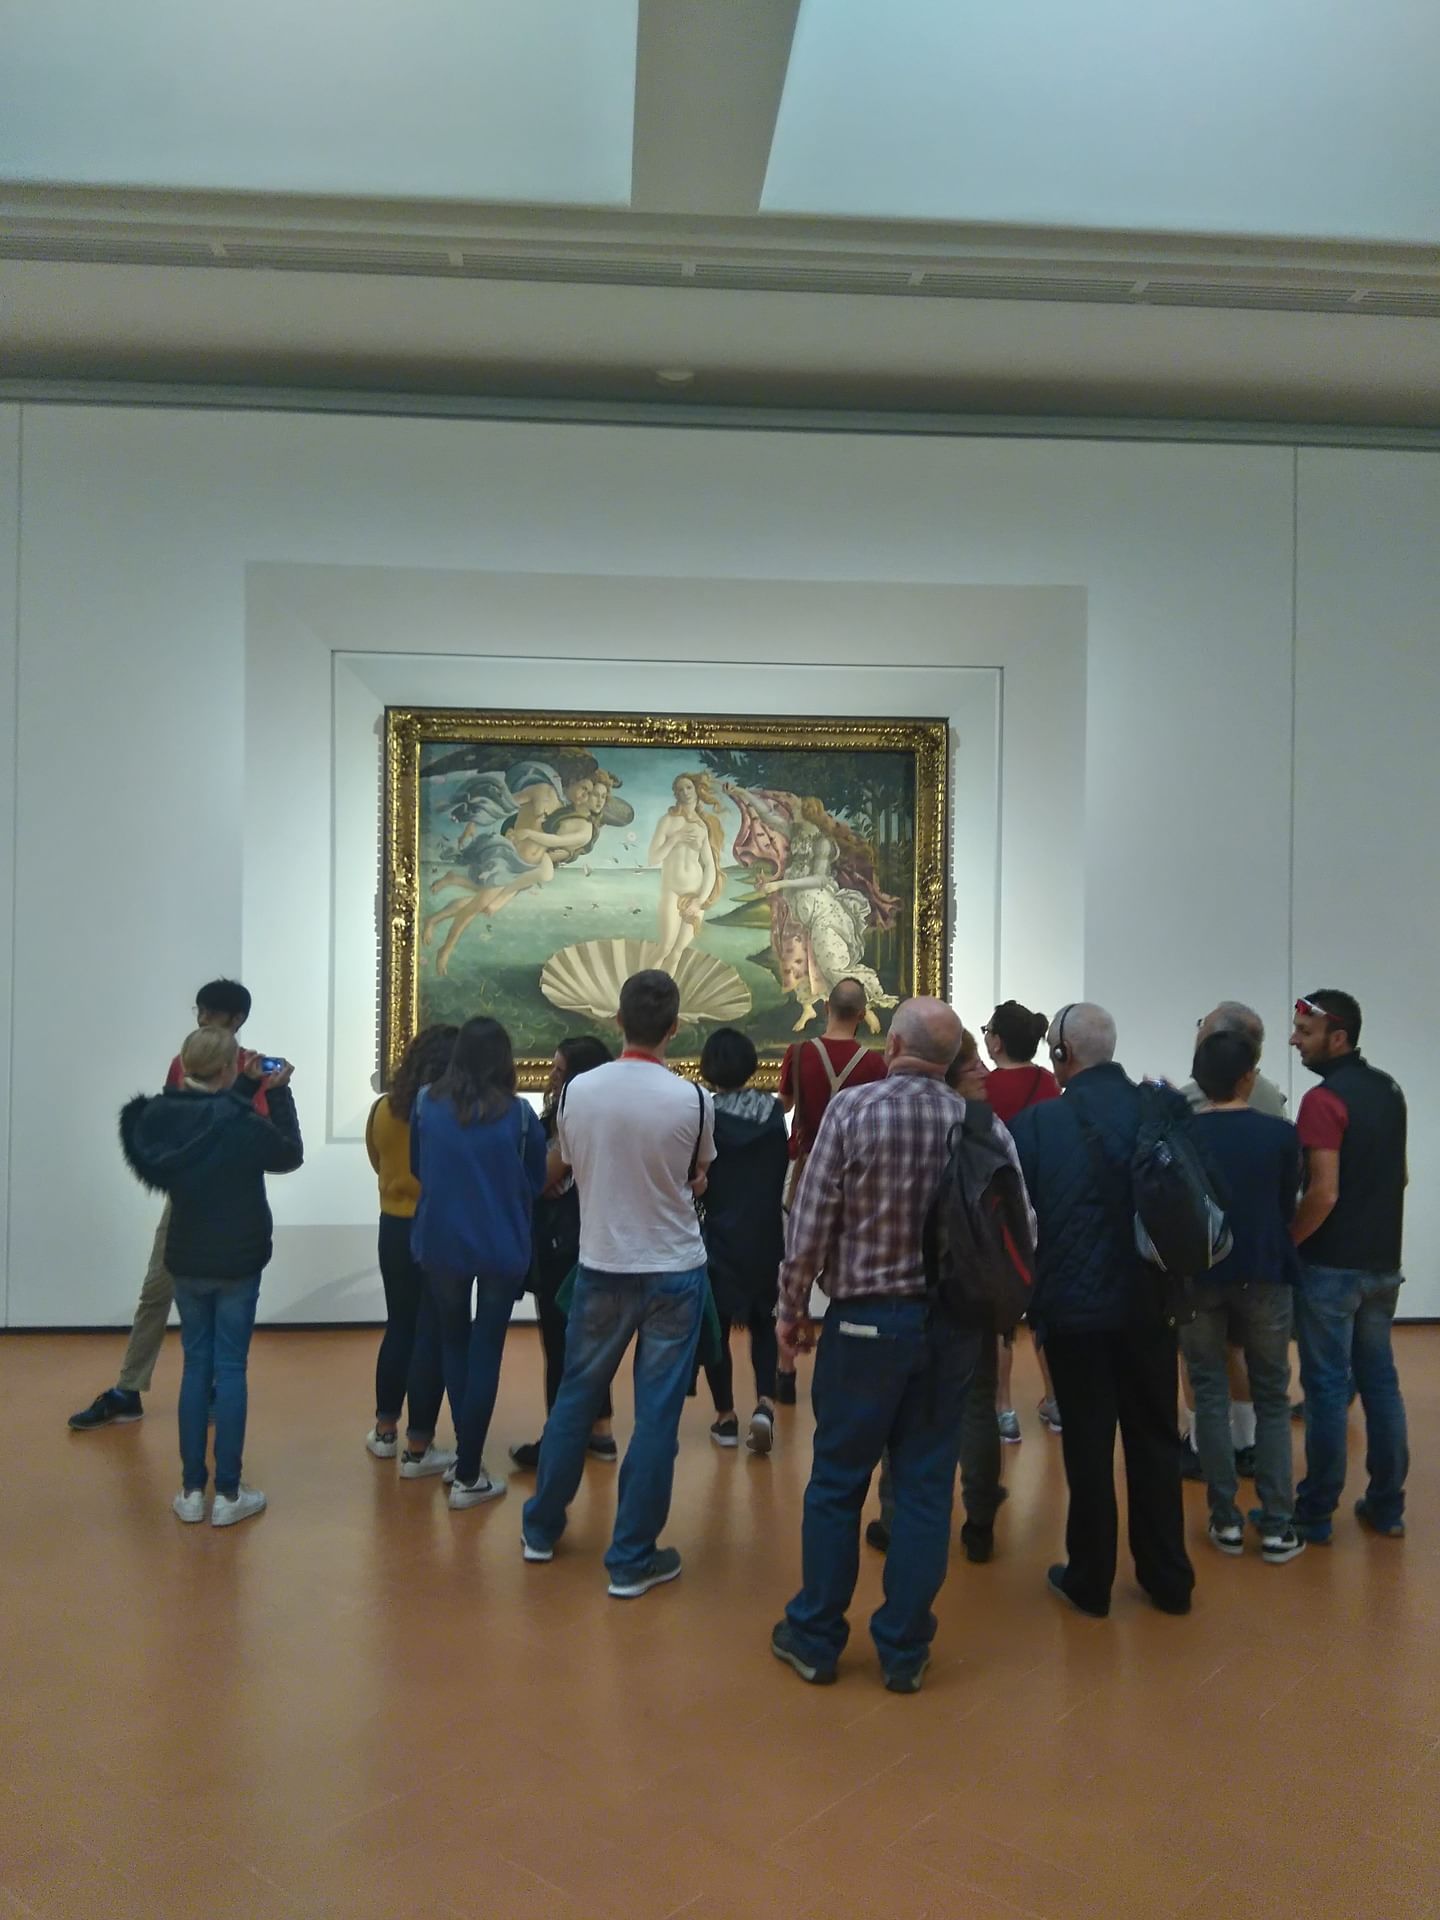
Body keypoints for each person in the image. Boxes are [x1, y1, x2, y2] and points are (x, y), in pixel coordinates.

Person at [771, 998, 996, 1693]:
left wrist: (791, 1310)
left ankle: (816, 1637)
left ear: (893, 1042)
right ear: (953, 1057)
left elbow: (810, 1224)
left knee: (838, 1482)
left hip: (865, 1323)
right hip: (951, 1328)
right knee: (926, 1488)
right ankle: (903, 1650)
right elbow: (1023, 1227)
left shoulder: (855, 1110)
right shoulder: (979, 1125)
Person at [522, 970, 713, 1598]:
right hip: (674, 1269)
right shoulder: (693, 1099)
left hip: (602, 1262)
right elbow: (698, 1178)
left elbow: (569, 1164)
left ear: (616, 1022)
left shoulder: (579, 1091)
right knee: (656, 1416)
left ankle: (542, 1529)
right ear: (675, 1029)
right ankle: (631, 1557)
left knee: (576, 1396)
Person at [1009, 1003, 1195, 1619]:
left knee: (1087, 1443)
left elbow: (1021, 1217)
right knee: (1155, 1438)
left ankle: (1090, 1579)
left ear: (1061, 1054)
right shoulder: (1161, 1108)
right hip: (1150, 1302)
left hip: (1074, 1308)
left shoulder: (1037, 1125)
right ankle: (1168, 1577)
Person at [118, 1026, 302, 1525]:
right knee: (232, 1369)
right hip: (238, 1260)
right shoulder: (241, 1122)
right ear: (227, 1069)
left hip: (187, 1257)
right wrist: (278, 1094)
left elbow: (206, 1121)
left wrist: (242, 1088)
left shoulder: (159, 1117)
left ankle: (190, 1490)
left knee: (195, 1368)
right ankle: (228, 1493)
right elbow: (287, 1154)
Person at [69, 978, 270, 1432]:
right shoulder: (184, 1062)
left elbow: (266, 1142)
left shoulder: (252, 1070)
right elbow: (169, 1123)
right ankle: (129, 1388)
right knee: (155, 1291)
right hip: (186, 1200)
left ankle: (219, 1386)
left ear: (235, 1020)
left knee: (227, 1302)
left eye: (209, 1012)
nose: (200, 1019)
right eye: (197, 1010)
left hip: (235, 1202)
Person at [869, 1028, 1013, 1567]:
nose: (981, 1072)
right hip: (967, 1288)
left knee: (898, 1411)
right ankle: (978, 1519)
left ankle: (891, 1517)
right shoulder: (988, 1129)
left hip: (897, 1290)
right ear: (950, 1071)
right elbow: (1021, 1216)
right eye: (971, 1064)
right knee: (975, 1407)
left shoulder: (876, 1115)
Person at [410, 1018, 548, 1510]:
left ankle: (465, 1463)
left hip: (442, 1240)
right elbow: (535, 1179)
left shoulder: (427, 1102)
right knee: (486, 1349)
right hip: (500, 1242)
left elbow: (417, 1168)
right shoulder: (520, 1115)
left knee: (453, 1342)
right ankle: (468, 1471)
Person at [1290, 990, 1409, 1543]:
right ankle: (1386, 1507)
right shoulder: (1390, 1091)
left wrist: (1289, 1243)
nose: (1295, 1040)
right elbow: (1401, 1177)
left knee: (1327, 1389)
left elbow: (1323, 1192)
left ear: (1338, 1037)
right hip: (1383, 1265)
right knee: (1379, 1382)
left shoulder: (1323, 1101)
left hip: (1331, 1269)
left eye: (1305, 1033)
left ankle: (1316, 1512)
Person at [1182, 1030, 1305, 1563]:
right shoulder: (1279, 1135)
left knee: (1208, 1392)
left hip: (1197, 1276)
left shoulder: (1181, 1134)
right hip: (1265, 1273)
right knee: (1272, 1397)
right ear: (1248, 1078)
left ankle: (1225, 1520)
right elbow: (1286, 1203)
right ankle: (1278, 1525)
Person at [1176, 1000, 1286, 1476]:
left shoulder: (1186, 1105)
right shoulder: (1274, 1099)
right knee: (1244, 1355)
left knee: (1199, 1362)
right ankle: (1247, 1443)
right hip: (1259, 1255)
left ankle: (1205, 1450)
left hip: (1202, 1255)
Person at [775, 977, 887, 1403]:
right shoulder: (875, 1065)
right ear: (862, 1014)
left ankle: (785, 1370)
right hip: (856, 1172)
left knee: (795, 1258)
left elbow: (785, 1103)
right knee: (853, 1254)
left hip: (804, 1167)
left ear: (825, 1007)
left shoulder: (799, 1052)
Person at [509, 1035, 617, 1472]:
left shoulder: (573, 1113)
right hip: (594, 1237)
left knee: (560, 1340)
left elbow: (541, 1176)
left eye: (558, 1069)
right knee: (592, 1339)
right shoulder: (607, 1112)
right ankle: (601, 1431)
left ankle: (557, 1439)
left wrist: (534, 1169)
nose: (550, 1076)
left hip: (562, 1243)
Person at [364, 1023, 459, 1477]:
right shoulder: (451, 1113)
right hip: (437, 1229)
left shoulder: (383, 1109)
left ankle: (384, 1429)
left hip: (392, 1228)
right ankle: (419, 1441)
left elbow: (376, 1162)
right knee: (432, 1334)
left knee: (398, 1325)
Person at [694, 1026, 789, 1455]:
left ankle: (726, 1417)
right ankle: (765, 1403)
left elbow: (698, 1175)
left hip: (718, 1233)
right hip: (765, 1231)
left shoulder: (706, 1114)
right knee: (763, 1322)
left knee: (716, 1329)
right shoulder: (772, 1112)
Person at [981, 1002, 1062, 1442]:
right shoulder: (1048, 1082)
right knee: (1044, 1308)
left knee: (1000, 1314)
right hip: (1044, 1203)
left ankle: (1002, 1409)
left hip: (996, 1208)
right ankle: (1056, 1400)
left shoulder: (984, 1087)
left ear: (996, 1040)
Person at [648, 772, 726, 973]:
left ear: (696, 790)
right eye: (680, 789)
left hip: (695, 895)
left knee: (677, 952)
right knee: (665, 947)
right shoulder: (667, 821)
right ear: (675, 794)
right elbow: (653, 858)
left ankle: (664, 999)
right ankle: (641, 993)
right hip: (672, 892)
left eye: (689, 787)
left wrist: (700, 900)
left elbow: (709, 866)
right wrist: (676, 838)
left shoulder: (702, 826)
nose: (685, 792)